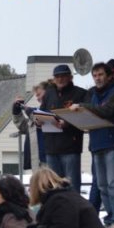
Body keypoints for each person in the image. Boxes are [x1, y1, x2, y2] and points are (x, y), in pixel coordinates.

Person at [71, 62, 114, 225]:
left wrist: (82, 106)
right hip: (97, 144)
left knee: (113, 184)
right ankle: (111, 218)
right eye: (95, 75)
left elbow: (107, 111)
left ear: (109, 76)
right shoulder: (91, 93)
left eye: (101, 75)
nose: (97, 78)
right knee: (102, 185)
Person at [39, 64, 87, 193]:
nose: (60, 79)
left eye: (63, 76)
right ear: (54, 79)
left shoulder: (80, 93)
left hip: (70, 147)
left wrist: (67, 123)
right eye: (57, 76)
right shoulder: (49, 94)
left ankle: (73, 207)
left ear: (70, 77)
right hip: (51, 148)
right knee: (54, 188)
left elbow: (85, 117)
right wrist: (38, 120)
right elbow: (42, 112)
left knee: (72, 187)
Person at [13, 81, 52, 170]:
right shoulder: (36, 111)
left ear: (48, 93)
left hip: (52, 160)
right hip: (38, 161)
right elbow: (24, 127)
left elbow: (44, 119)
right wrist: (16, 111)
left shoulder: (55, 110)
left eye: (39, 95)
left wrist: (31, 113)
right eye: (36, 96)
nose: (37, 98)